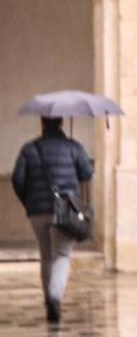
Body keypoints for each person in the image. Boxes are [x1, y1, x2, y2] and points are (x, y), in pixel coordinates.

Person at [11, 117, 93, 323]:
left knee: (46, 255)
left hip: (37, 211)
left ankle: (49, 297)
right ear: (61, 123)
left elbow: (17, 179)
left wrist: (29, 201)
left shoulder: (29, 149)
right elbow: (87, 173)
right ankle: (54, 299)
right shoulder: (73, 146)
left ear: (42, 123)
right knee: (62, 254)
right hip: (65, 209)